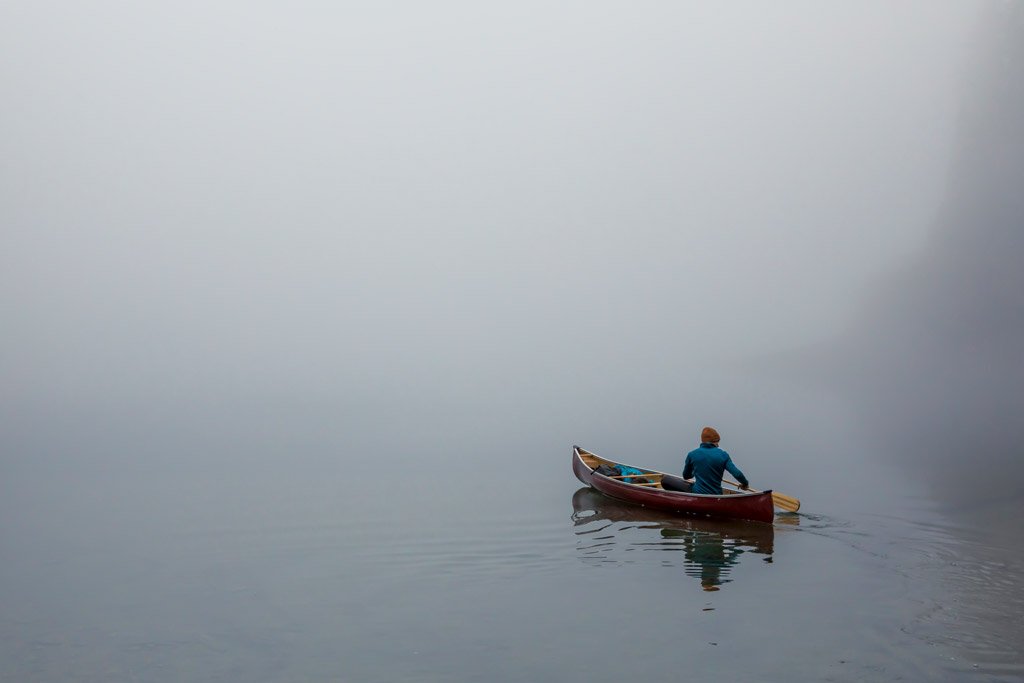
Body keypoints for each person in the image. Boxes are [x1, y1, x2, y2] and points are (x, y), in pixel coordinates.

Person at [683, 427, 749, 495]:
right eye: (716, 442)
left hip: (697, 494)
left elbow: (686, 476)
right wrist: (745, 484)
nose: (718, 445)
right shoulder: (723, 455)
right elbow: (737, 474)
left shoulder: (692, 455)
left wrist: (695, 472)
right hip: (716, 495)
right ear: (713, 442)